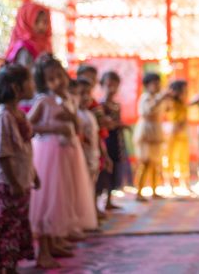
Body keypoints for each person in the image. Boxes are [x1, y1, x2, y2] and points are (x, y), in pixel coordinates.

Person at [28, 55, 97, 268]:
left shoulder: (68, 98)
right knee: (49, 200)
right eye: (51, 79)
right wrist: (52, 128)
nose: (57, 82)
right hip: (50, 154)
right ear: (43, 82)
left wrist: (71, 117)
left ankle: (57, 241)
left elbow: (76, 125)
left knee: (63, 197)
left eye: (59, 76)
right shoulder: (43, 101)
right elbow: (28, 126)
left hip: (68, 153)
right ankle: (44, 251)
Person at [0, 64, 37, 274]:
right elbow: (3, 154)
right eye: (29, 81)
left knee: (17, 226)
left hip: (21, 180)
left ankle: (11, 265)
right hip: (8, 183)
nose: (33, 85)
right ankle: (0, 266)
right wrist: (14, 182)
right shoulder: (3, 116)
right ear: (15, 87)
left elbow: (24, 149)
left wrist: (34, 173)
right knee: (6, 227)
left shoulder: (19, 114)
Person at [134, 73, 170, 201]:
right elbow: (147, 111)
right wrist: (160, 99)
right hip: (146, 131)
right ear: (147, 85)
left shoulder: (159, 98)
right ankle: (139, 191)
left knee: (155, 162)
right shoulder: (146, 97)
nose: (157, 86)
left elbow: (166, 111)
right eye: (154, 83)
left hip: (156, 130)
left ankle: (155, 190)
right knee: (145, 162)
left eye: (158, 83)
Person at [76, 77, 107, 219]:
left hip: (93, 155)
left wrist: (103, 154)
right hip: (82, 156)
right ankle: (83, 216)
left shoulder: (90, 114)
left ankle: (91, 212)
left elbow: (97, 136)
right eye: (81, 94)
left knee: (92, 184)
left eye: (88, 93)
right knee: (82, 187)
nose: (86, 97)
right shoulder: (77, 115)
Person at [97, 71, 126, 210]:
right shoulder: (100, 105)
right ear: (102, 85)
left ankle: (109, 200)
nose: (112, 88)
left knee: (115, 168)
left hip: (116, 140)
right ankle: (99, 201)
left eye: (115, 85)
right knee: (105, 170)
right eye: (109, 85)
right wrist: (116, 125)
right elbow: (104, 124)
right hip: (106, 140)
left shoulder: (116, 105)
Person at [4, 1, 52, 69]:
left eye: (45, 21)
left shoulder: (45, 46)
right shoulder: (24, 49)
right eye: (36, 21)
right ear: (25, 22)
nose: (41, 26)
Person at [166, 80, 190, 189]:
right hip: (172, 134)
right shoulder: (171, 103)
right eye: (184, 90)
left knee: (183, 158)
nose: (186, 93)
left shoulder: (183, 103)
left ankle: (184, 182)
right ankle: (169, 182)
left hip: (182, 134)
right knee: (170, 157)